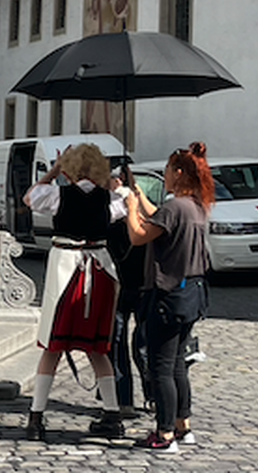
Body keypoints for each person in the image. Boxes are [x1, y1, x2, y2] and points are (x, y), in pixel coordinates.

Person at [21, 143, 127, 441]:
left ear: (69, 168)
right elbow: (122, 210)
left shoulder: (57, 194)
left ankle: (36, 417)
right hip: (101, 270)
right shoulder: (111, 199)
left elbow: (29, 197)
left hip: (67, 268)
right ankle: (113, 415)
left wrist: (53, 172)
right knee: (97, 347)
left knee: (53, 345)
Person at [124, 143, 214, 453]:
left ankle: (163, 435)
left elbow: (138, 235)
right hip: (191, 295)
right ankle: (182, 426)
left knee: (161, 368)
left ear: (177, 172)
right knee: (177, 366)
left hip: (168, 296)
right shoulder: (195, 206)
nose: (164, 174)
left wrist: (129, 207)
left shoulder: (175, 208)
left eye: (166, 169)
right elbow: (159, 217)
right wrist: (139, 195)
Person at [106, 169, 151, 416]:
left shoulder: (135, 227)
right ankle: (138, 397)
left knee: (129, 345)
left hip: (131, 288)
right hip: (128, 289)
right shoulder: (141, 224)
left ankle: (131, 397)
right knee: (127, 345)